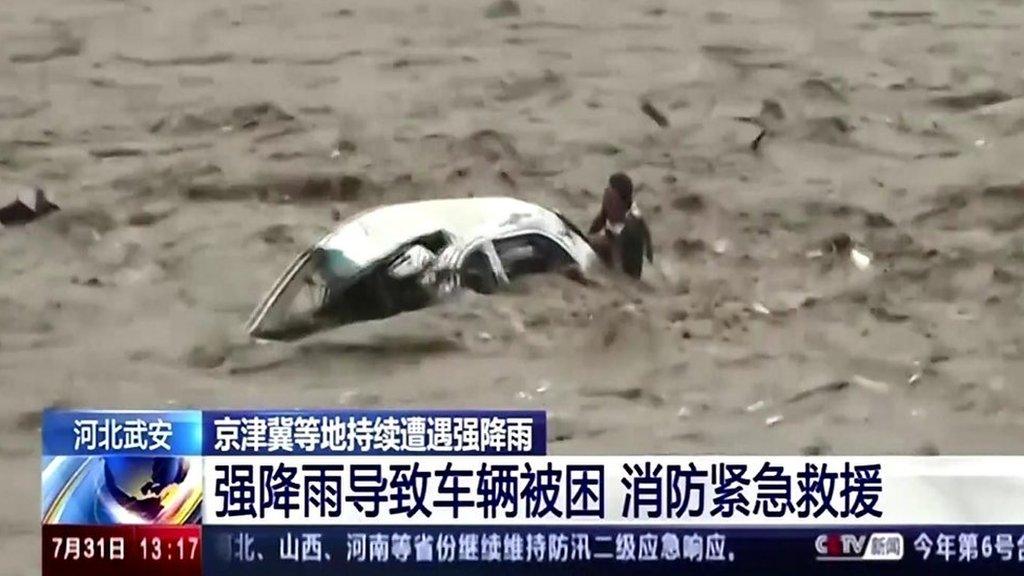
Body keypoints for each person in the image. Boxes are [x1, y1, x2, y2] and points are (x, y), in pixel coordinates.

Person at [588, 172, 653, 278]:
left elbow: (624, 269)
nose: (605, 201)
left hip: (634, 268)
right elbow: (591, 233)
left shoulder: (632, 225)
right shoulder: (608, 210)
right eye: (605, 195)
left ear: (621, 202)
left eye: (609, 198)